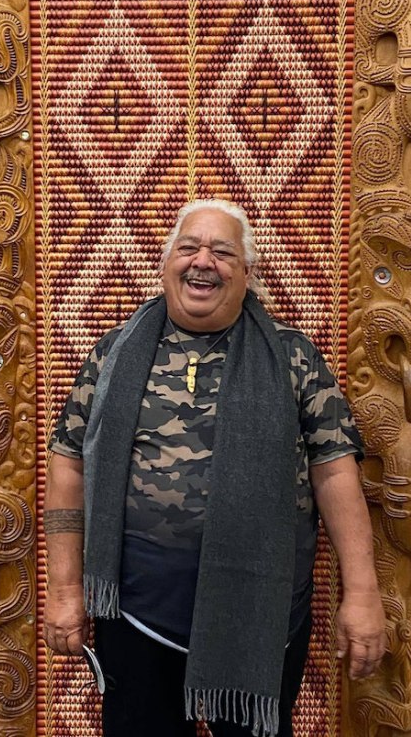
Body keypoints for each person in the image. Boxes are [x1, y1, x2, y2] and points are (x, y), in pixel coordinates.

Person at [43, 199, 386, 737]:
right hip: (134, 615)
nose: (204, 261)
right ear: (165, 265)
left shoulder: (293, 358)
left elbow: (335, 472)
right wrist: (65, 591)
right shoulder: (114, 355)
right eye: (189, 247)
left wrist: (362, 594)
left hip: (260, 618)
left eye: (223, 252)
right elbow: (68, 465)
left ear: (247, 273)